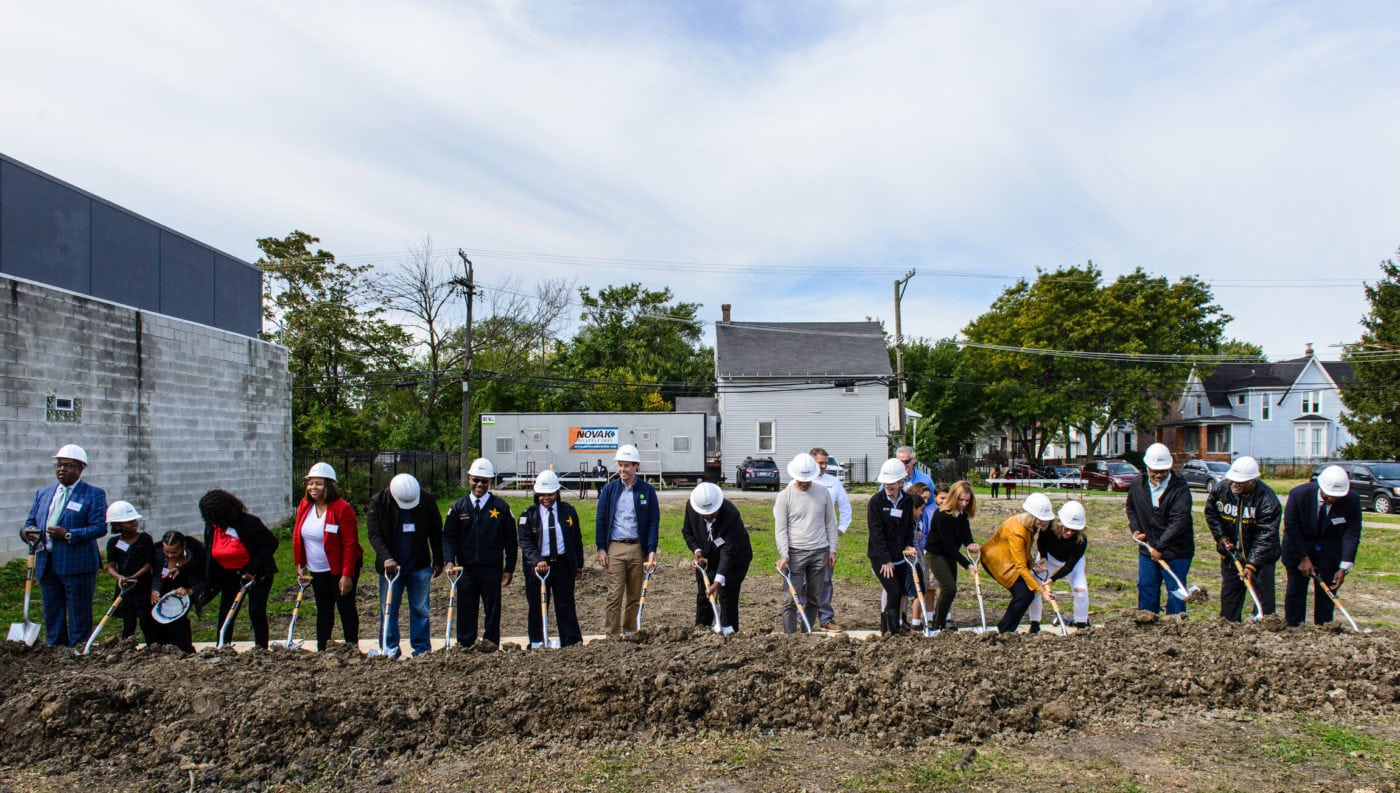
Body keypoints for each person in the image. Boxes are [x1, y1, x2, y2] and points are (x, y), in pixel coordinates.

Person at [20, 444, 108, 647]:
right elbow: (30, 522)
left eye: (68, 465)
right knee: (52, 610)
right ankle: (56, 649)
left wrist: (68, 534)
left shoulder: (92, 494)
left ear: (81, 468)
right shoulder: (43, 493)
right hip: (47, 562)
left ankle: (78, 650)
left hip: (77, 564)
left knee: (79, 612)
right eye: (59, 465)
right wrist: (27, 533)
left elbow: (99, 527)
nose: (62, 469)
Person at [366, 473, 444, 657]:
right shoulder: (379, 502)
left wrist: (439, 559)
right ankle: (389, 647)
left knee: (420, 608)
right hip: (391, 569)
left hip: (419, 564)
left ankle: (421, 648)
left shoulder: (426, 500)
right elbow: (374, 534)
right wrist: (386, 557)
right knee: (389, 609)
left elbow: (435, 531)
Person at [442, 459, 517, 648]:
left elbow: (511, 541)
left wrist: (509, 568)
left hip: (491, 569)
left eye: (484, 481)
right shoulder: (458, 508)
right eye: (476, 480)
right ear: (469, 479)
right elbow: (449, 537)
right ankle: (466, 645)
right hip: (465, 568)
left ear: (489, 482)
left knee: (492, 608)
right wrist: (449, 561)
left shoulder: (501, 508)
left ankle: (490, 644)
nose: (480, 485)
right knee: (466, 607)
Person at [292, 462, 363, 652]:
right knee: (323, 609)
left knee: (345, 606)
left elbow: (350, 543)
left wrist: (347, 575)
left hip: (341, 567)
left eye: (319, 484)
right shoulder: (304, 505)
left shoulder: (342, 508)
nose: (313, 488)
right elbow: (298, 535)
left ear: (329, 485)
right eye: (310, 483)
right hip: (317, 567)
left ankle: (351, 647)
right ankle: (322, 649)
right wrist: (300, 562)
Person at [1282, 465, 1363, 626]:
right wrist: (1303, 558)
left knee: (1327, 592)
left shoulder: (1352, 500)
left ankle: (1325, 628)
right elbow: (1291, 528)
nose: (1333, 499)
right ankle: (1294, 628)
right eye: (1329, 496)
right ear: (1321, 487)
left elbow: (1352, 533)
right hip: (1298, 549)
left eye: (1337, 497)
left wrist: (1344, 567)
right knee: (1296, 591)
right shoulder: (1299, 495)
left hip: (1329, 552)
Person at [199, 489, 279, 649]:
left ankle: (261, 648)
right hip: (230, 574)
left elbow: (271, 543)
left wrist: (251, 569)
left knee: (256, 611)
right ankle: (222, 646)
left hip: (257, 574)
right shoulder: (212, 527)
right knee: (227, 611)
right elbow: (209, 550)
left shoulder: (248, 523)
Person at [1205, 456, 1282, 621]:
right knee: (1229, 602)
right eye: (1232, 480)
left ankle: (1263, 629)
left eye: (1240, 482)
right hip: (1232, 556)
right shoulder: (1221, 490)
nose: (1234, 484)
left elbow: (1266, 535)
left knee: (1264, 604)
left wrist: (1252, 564)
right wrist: (1221, 537)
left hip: (1261, 560)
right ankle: (1229, 630)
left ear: (1253, 480)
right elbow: (1211, 513)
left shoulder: (1267, 500)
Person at [595, 444, 660, 639]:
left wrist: (651, 550)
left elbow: (653, 522)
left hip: (638, 548)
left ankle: (631, 631)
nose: (622, 470)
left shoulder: (647, 491)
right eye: (620, 465)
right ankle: (612, 635)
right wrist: (601, 548)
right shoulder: (609, 490)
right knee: (614, 595)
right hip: (615, 547)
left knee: (634, 595)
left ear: (636, 467)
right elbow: (601, 518)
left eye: (627, 466)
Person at [1126, 443, 1195, 615]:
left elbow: (1178, 522)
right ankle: (1147, 620)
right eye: (1154, 471)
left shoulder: (1180, 489)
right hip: (1148, 548)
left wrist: (1160, 547)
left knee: (1175, 589)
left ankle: (1176, 624)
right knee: (1146, 585)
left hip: (1176, 550)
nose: (1158, 475)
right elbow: (1131, 508)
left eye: (1163, 471)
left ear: (1169, 467)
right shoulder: (1137, 484)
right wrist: (1136, 529)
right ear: (1147, 468)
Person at [519, 470, 584, 647]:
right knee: (537, 607)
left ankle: (571, 642)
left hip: (562, 565)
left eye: (550, 494)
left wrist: (578, 564)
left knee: (566, 605)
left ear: (557, 493)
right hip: (538, 568)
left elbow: (576, 538)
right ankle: (537, 641)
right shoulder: (528, 515)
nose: (546, 498)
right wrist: (537, 559)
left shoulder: (568, 511)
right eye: (542, 495)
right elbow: (525, 542)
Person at [775, 453, 838, 633]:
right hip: (795, 553)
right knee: (791, 599)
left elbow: (830, 523)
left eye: (807, 480)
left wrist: (832, 549)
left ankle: (807, 633)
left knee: (814, 597)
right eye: (801, 480)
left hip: (820, 551)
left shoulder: (823, 492)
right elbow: (781, 529)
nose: (804, 483)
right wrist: (784, 554)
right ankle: (790, 637)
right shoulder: (784, 496)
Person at [681, 482, 753, 633]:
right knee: (704, 594)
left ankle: (728, 632)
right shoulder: (693, 506)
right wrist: (697, 551)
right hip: (708, 557)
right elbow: (687, 531)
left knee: (727, 594)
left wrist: (719, 580)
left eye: (711, 513)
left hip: (736, 557)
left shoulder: (731, 515)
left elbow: (729, 551)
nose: (707, 516)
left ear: (718, 507)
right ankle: (701, 631)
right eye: (704, 514)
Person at [982, 493, 1056, 633]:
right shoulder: (1018, 531)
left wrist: (1033, 564)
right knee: (1024, 594)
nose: (1043, 523)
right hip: (996, 561)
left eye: (1045, 520)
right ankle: (1004, 631)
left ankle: (1007, 630)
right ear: (1031, 515)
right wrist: (1041, 591)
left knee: (1025, 594)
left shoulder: (1031, 525)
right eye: (1040, 519)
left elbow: (1024, 550)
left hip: (1008, 559)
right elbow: (1020, 567)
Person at [924, 480, 981, 631]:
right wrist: (967, 565)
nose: (963, 503)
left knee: (948, 590)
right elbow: (948, 545)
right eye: (961, 500)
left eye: (967, 500)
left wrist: (970, 543)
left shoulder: (962, 514)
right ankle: (938, 623)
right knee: (949, 588)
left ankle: (940, 621)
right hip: (936, 554)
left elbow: (965, 533)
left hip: (950, 555)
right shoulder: (942, 514)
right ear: (954, 497)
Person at [868, 458, 916, 634]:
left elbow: (908, 526)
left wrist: (910, 545)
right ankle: (890, 632)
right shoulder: (876, 502)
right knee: (893, 591)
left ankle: (893, 627)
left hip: (900, 554)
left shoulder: (907, 501)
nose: (888, 486)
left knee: (901, 590)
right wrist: (885, 560)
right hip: (880, 556)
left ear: (901, 481)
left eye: (892, 483)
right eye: (885, 482)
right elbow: (876, 533)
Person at [1028, 500, 1091, 631]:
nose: (1069, 533)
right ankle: (1034, 624)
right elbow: (1041, 542)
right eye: (1067, 528)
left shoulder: (1081, 541)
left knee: (1081, 591)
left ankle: (1081, 624)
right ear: (1060, 524)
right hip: (1049, 558)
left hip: (1071, 563)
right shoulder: (1048, 527)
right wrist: (1043, 556)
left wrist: (1052, 579)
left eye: (1074, 530)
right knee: (1035, 587)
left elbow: (1069, 566)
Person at [103, 501, 156, 645]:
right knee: (128, 621)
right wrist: (120, 578)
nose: (134, 523)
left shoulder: (145, 539)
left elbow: (149, 563)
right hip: (125, 587)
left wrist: (134, 577)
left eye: (134, 520)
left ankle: (152, 646)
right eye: (129, 521)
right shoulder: (113, 542)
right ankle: (127, 647)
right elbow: (110, 565)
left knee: (146, 620)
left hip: (142, 586)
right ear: (118, 525)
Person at [811, 447, 853, 632]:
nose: (823, 466)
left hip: (827, 539)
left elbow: (845, 507)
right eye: (820, 462)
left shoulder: (833, 482)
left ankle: (826, 618)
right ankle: (801, 618)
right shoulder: (801, 481)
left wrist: (841, 529)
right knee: (803, 581)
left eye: (825, 463)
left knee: (826, 580)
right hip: (806, 539)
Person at [151, 530, 207, 654]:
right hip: (165, 591)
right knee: (158, 620)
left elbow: (206, 580)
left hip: (185, 592)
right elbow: (156, 575)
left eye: (174, 552)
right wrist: (155, 590)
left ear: (183, 547)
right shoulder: (158, 554)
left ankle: (184, 650)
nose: (170, 555)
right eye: (167, 552)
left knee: (179, 622)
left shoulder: (197, 555)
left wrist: (191, 590)